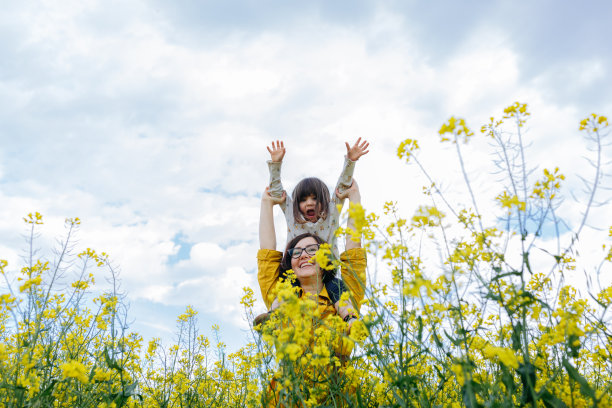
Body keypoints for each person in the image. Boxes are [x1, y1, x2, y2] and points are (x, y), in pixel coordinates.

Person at [265, 138, 369, 323]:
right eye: (304, 200)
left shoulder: (331, 214)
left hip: (327, 273)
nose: (310, 203)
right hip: (295, 273)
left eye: (315, 198)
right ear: (297, 204)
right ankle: (273, 316)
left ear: (324, 201)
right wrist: (276, 164)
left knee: (337, 289)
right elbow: (275, 192)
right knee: (286, 289)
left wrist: (350, 161)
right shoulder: (291, 214)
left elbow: (343, 186)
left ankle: (350, 319)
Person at [255, 179, 366, 334]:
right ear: (290, 263)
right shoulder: (278, 293)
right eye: (296, 252)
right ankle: (273, 317)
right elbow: (267, 253)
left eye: (313, 250)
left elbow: (353, 250)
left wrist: (354, 196)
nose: (304, 255)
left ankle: (351, 320)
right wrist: (266, 202)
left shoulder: (345, 293)